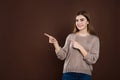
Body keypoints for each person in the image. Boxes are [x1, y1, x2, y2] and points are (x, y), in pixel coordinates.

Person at [44, 11, 100, 80]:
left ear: (87, 22)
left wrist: (80, 47)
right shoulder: (70, 36)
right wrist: (55, 43)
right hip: (68, 74)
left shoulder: (94, 39)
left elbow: (93, 59)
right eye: (77, 20)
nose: (79, 23)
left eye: (82, 20)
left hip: (85, 75)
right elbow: (62, 56)